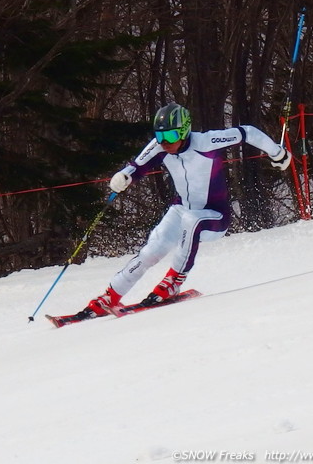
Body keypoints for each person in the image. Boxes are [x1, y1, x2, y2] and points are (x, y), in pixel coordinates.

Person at [76, 102, 292, 319]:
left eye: (170, 136)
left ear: (184, 130)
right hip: (181, 209)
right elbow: (136, 166)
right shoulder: (160, 147)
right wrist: (123, 177)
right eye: (160, 137)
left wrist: (277, 153)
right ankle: (109, 296)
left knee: (192, 220)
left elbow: (248, 132)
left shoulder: (207, 142)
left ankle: (173, 282)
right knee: (151, 250)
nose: (164, 143)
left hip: (214, 216)